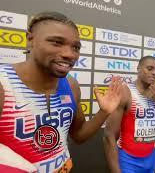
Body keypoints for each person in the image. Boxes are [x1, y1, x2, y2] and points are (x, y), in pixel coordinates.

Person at [0, 12, 123, 173]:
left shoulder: (71, 85)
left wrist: (104, 112)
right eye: (57, 42)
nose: (69, 54)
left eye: (75, 47)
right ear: (30, 40)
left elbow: (78, 135)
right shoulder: (4, 85)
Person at [103, 56, 155, 173]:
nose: (154, 73)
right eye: (149, 68)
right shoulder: (125, 92)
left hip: (150, 158)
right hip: (127, 159)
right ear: (138, 68)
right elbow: (109, 135)